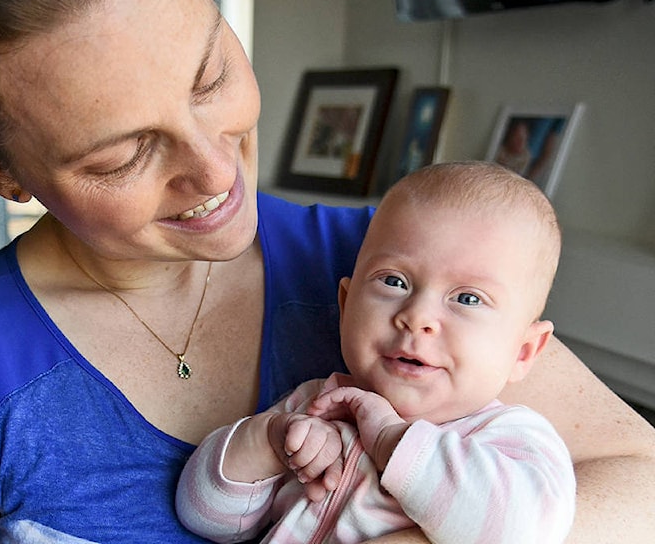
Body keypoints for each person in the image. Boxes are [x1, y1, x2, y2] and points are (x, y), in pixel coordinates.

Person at [0, 0, 655, 542]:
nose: (216, 169)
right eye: (120, 154)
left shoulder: (394, 271)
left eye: (211, 73)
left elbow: (640, 484)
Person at [176, 162, 576, 543]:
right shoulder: (315, 406)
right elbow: (204, 518)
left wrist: (392, 439)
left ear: (524, 352)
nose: (416, 317)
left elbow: (524, 534)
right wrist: (265, 442)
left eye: (468, 298)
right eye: (394, 281)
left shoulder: (511, 441)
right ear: (346, 306)